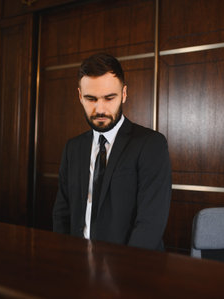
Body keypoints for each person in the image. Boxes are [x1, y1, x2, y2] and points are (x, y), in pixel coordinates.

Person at [53, 53, 172, 251]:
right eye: (91, 99)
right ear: (80, 96)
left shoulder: (151, 145)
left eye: (109, 98)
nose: (100, 109)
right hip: (78, 265)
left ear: (124, 94)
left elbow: (150, 223)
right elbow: (61, 213)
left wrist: (125, 272)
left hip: (131, 269)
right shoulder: (72, 148)